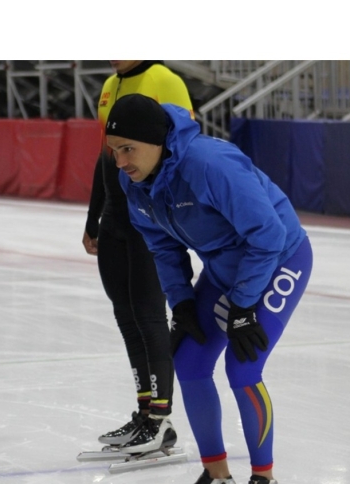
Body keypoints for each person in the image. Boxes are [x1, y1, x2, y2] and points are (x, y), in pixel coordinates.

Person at [105, 94, 313, 484]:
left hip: (281, 256)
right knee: (189, 362)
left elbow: (269, 235)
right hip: (223, 270)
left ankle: (264, 478)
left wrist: (244, 306)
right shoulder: (133, 182)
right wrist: (182, 302)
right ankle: (217, 475)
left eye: (128, 149)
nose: (121, 162)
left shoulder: (210, 165)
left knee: (243, 365)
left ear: (157, 141)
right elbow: (163, 247)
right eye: (114, 151)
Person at [82, 60, 194, 454]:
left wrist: (172, 215)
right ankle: (146, 413)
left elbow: (183, 148)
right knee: (126, 315)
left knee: (148, 315)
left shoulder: (164, 79)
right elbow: (105, 156)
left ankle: (162, 419)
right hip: (115, 216)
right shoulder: (110, 84)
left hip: (148, 215)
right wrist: (94, 216)